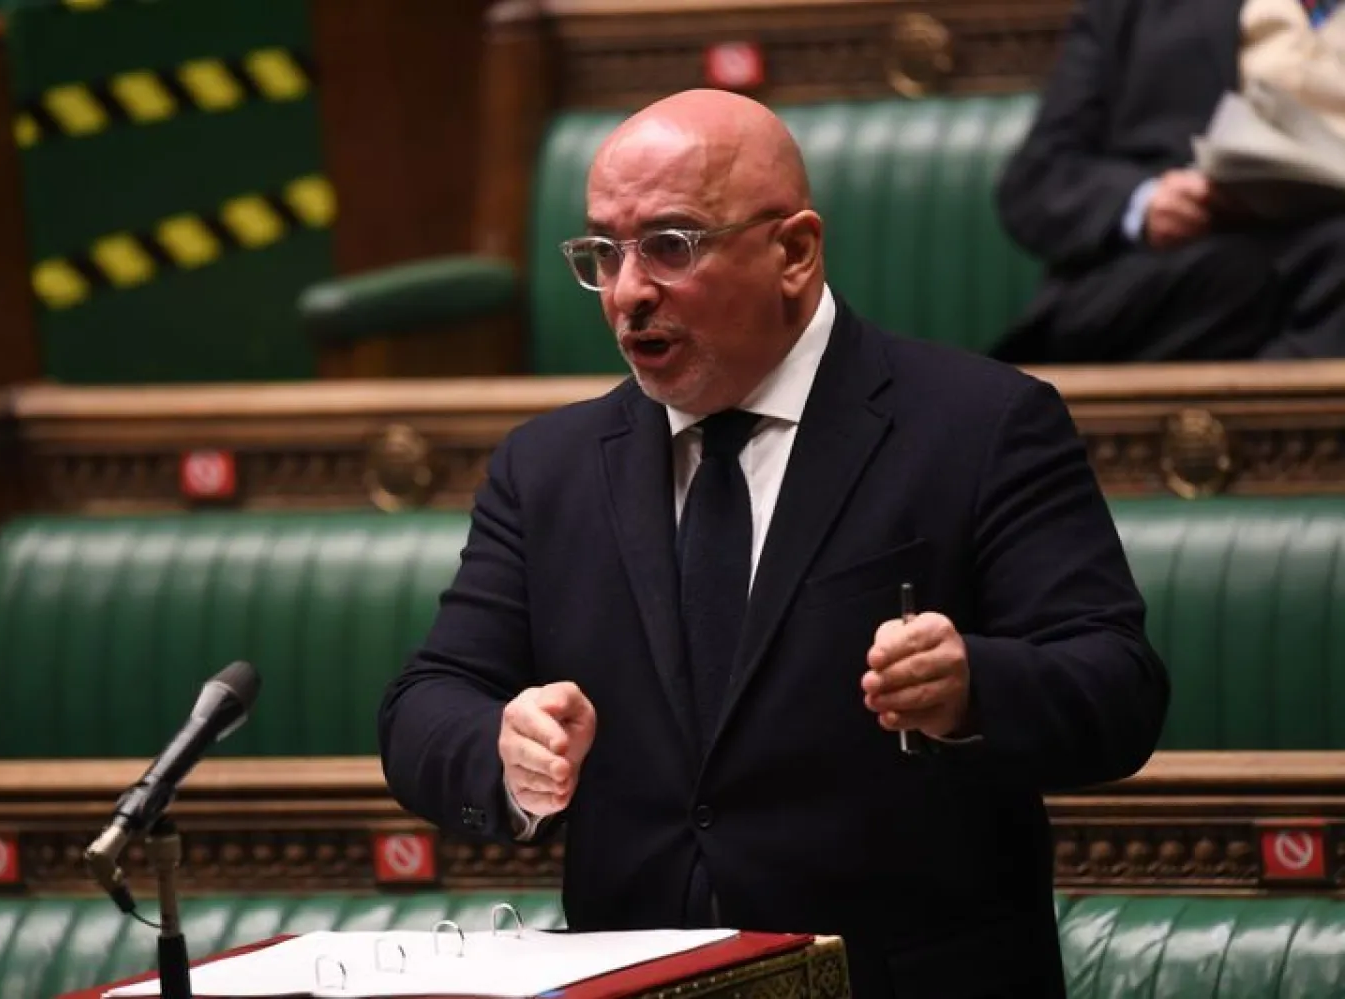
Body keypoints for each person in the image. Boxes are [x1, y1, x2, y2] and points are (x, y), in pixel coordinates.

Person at [378, 89, 1169, 999]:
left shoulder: (981, 425)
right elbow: (422, 703)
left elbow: (1120, 689)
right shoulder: (546, 468)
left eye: (670, 246)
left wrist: (973, 688)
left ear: (793, 251)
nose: (630, 291)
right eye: (605, 252)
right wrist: (502, 749)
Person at [994, 0, 1345, 363]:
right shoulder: (1133, 10)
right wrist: (1145, 202)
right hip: (1168, 281)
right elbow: (1037, 179)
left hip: (1326, 266)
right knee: (1239, 268)